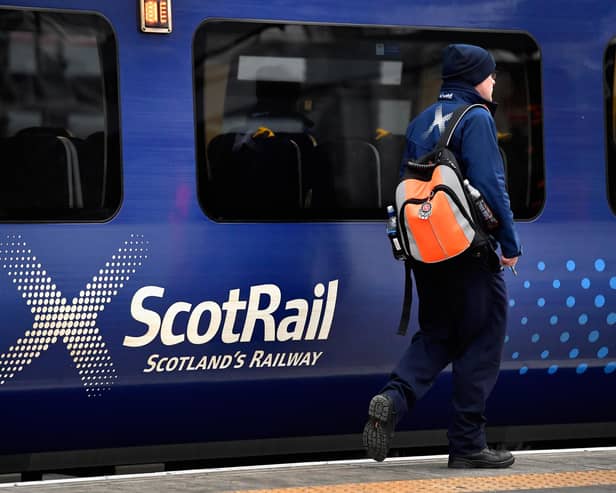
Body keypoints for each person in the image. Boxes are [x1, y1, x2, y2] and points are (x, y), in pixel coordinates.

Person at [362, 44, 522, 469]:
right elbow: (491, 184)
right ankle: (468, 444)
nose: (494, 82)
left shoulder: (420, 121)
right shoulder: (476, 118)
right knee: (482, 338)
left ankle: (393, 398)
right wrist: (509, 244)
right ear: (473, 78)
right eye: (490, 75)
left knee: (437, 335)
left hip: (427, 254)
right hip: (470, 252)